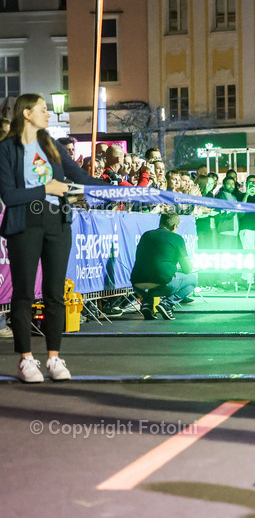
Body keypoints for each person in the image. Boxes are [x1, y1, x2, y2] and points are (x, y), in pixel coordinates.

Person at [0, 94, 106, 382]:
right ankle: (25, 359)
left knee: (55, 294)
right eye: (43, 109)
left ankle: (54, 358)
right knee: (22, 295)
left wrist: (114, 189)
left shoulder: (52, 146)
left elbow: (79, 177)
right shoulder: (7, 149)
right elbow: (9, 195)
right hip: (24, 225)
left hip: (58, 224)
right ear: (26, 113)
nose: (48, 114)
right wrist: (46, 188)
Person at [131, 211, 198, 319]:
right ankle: (167, 304)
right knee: (193, 279)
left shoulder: (146, 235)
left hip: (138, 284)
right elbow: (187, 269)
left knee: (150, 273)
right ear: (174, 226)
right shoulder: (176, 238)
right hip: (161, 284)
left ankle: (147, 305)